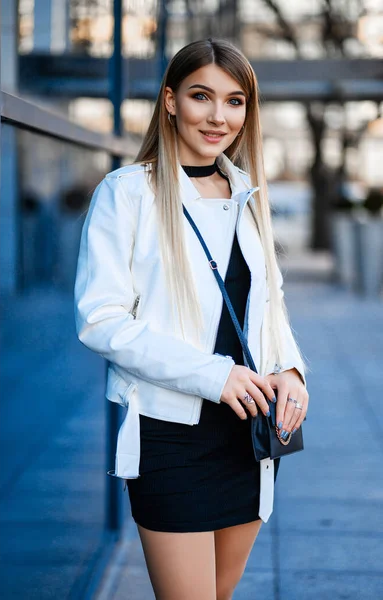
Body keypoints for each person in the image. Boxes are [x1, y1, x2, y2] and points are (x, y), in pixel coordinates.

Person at [74, 38, 309, 600]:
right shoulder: (127, 193)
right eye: (202, 96)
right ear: (171, 100)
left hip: (249, 436)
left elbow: (270, 304)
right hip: (169, 436)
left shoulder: (248, 195)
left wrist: (292, 372)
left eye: (234, 101)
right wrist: (214, 374)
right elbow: (100, 320)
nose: (218, 116)